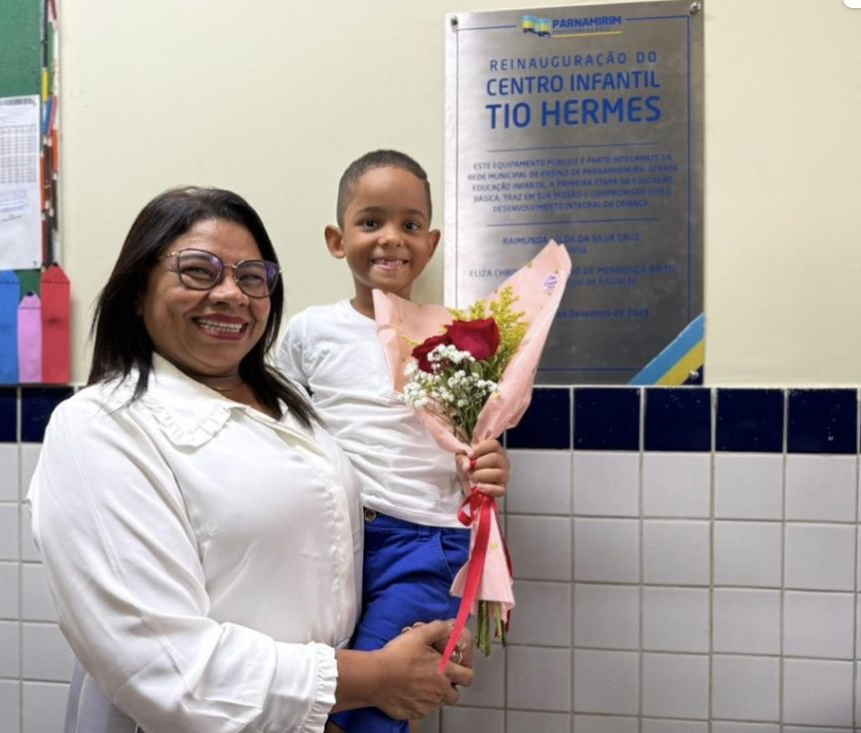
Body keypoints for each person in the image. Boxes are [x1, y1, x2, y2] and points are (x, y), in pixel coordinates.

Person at [27, 186, 475, 733]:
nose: (230, 294)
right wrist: (376, 678)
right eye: (198, 271)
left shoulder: (292, 406)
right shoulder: (100, 426)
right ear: (138, 291)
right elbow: (164, 666)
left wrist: (411, 648)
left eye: (251, 277)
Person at [277, 150, 510, 733]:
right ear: (337, 240)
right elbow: (278, 428)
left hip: (426, 544)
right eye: (370, 221)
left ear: (430, 244)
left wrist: (488, 465)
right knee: (319, 698)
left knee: (371, 711)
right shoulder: (309, 331)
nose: (391, 238)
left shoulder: (459, 334)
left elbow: (480, 438)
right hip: (334, 540)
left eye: (410, 224)